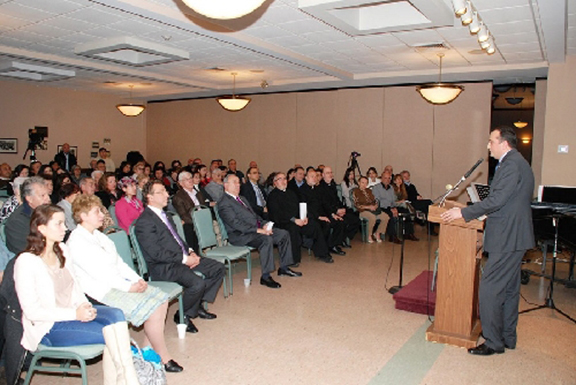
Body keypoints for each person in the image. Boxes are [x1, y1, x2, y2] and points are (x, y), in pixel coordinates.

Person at [14, 204, 140, 384]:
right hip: (48, 327)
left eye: (64, 223)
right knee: (111, 331)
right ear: (41, 228)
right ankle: (129, 379)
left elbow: (75, 286)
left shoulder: (62, 250)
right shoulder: (26, 262)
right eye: (58, 224)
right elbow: (33, 312)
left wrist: (84, 304)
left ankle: (124, 379)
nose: (65, 228)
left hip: (73, 312)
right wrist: (75, 313)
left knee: (117, 314)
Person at [441, 126, 534, 356]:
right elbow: (507, 201)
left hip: (507, 236)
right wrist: (484, 212)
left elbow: (498, 198)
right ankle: (507, 336)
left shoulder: (511, 163)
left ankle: (493, 342)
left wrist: (464, 213)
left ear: (504, 143)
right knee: (510, 289)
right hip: (515, 235)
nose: (488, 145)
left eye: (491, 141)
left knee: (490, 288)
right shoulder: (519, 162)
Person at [67, 195, 183, 372]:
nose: (102, 215)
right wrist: (129, 287)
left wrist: (137, 279)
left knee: (161, 299)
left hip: (117, 284)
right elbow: (101, 275)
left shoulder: (99, 236)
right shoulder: (77, 241)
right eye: (96, 211)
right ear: (83, 216)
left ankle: (145, 351)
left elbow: (119, 263)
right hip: (99, 292)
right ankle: (163, 357)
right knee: (151, 308)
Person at [134, 180, 225, 333]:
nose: (167, 195)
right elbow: (156, 253)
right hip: (163, 267)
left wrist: (190, 251)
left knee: (218, 268)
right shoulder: (145, 222)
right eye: (161, 192)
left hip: (180, 258)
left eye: (165, 191)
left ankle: (196, 306)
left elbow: (178, 239)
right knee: (197, 283)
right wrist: (184, 259)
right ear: (149, 197)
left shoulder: (166, 216)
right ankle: (182, 315)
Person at [218, 174, 300, 289]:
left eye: (238, 182)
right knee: (266, 239)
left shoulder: (242, 198)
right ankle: (265, 277)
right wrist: (258, 230)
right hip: (240, 235)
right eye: (234, 182)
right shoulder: (224, 202)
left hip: (254, 230)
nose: (238, 185)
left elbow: (254, 216)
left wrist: (264, 224)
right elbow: (235, 224)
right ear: (226, 185)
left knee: (283, 234)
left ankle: (284, 268)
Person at [267, 172, 333, 264]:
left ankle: (322, 254)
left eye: (285, 179)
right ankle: (293, 260)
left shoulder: (291, 193)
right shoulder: (272, 196)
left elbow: (299, 207)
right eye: (280, 179)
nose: (283, 181)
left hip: (298, 220)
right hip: (283, 222)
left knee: (314, 225)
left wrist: (305, 217)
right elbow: (277, 213)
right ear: (275, 183)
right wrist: (294, 220)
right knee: (293, 229)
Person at [5, 177, 51, 254]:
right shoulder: (17, 222)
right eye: (43, 195)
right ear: (29, 199)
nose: (48, 199)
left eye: (48, 195)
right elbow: (27, 251)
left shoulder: (48, 213)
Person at [172, 170, 214, 250]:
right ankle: (194, 253)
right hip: (191, 222)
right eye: (187, 179)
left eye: (190, 178)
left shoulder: (198, 193)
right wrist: (197, 222)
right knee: (188, 228)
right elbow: (184, 216)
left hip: (202, 219)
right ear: (181, 183)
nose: (190, 180)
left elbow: (203, 206)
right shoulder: (178, 197)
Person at [353, 176, 385, 243]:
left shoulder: (369, 191)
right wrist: (368, 207)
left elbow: (375, 200)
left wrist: (375, 205)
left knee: (385, 217)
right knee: (372, 218)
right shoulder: (356, 191)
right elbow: (357, 205)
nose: (364, 185)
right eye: (362, 183)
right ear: (359, 183)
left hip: (373, 209)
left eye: (366, 183)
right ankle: (369, 235)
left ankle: (377, 233)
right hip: (363, 210)